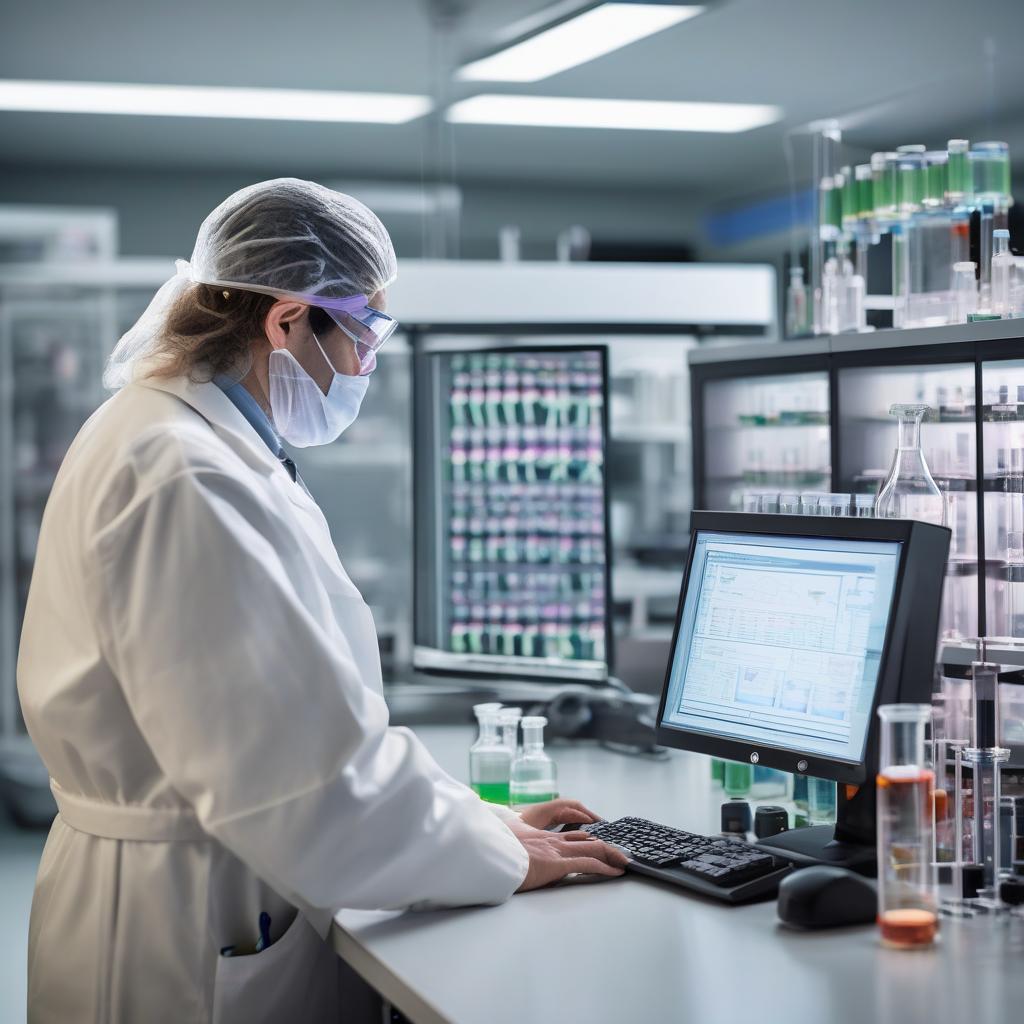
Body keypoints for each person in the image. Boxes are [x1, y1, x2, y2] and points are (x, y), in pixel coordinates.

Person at [17, 179, 628, 1023]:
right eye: (366, 335)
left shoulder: (186, 438)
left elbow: (311, 735)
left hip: (205, 874)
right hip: (182, 921)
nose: (364, 368)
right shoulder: (186, 472)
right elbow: (303, 788)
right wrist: (498, 853)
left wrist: (472, 819)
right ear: (286, 320)